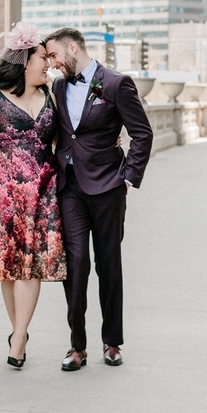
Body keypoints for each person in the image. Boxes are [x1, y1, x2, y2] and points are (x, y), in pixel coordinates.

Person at [0, 22, 66, 370]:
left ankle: (18, 338)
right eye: (41, 58)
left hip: (44, 191)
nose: (47, 64)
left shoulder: (52, 94)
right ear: (23, 61)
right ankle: (18, 330)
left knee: (30, 266)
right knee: (8, 267)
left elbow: (66, 140)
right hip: (2, 192)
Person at [45, 27, 153, 371]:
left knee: (108, 264)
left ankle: (112, 342)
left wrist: (128, 177)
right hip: (70, 188)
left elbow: (142, 133)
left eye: (54, 55)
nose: (52, 63)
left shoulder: (116, 84)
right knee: (75, 264)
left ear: (72, 47)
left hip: (108, 187)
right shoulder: (59, 86)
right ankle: (77, 345)